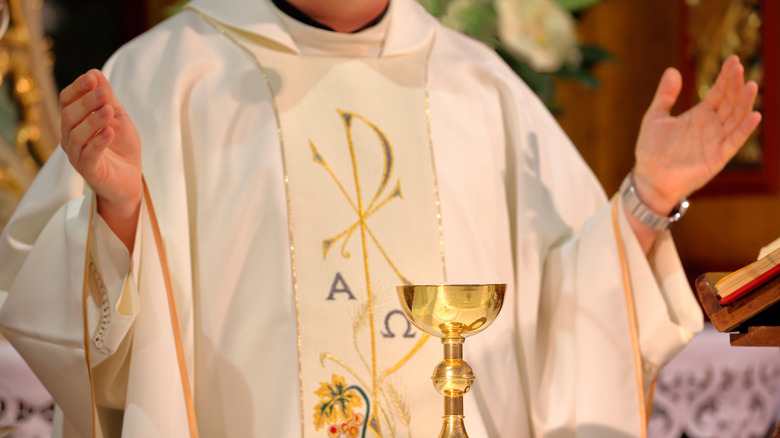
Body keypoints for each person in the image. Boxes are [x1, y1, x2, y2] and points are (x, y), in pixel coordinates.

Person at [0, 0, 760, 436]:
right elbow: (89, 346)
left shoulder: (480, 89)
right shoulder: (168, 78)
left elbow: (566, 313)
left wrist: (647, 197)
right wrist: (122, 207)